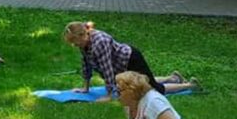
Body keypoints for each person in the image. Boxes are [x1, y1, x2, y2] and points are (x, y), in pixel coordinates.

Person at [63, 21, 198, 103]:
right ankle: (173, 78)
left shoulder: (100, 42)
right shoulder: (83, 43)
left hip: (131, 59)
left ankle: (189, 85)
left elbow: (107, 69)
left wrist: (110, 95)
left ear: (82, 35)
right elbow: (86, 64)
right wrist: (85, 88)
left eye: (75, 42)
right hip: (120, 65)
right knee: (141, 82)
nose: (75, 45)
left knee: (152, 88)